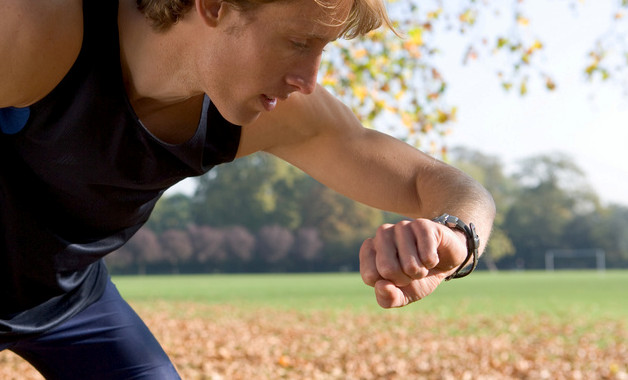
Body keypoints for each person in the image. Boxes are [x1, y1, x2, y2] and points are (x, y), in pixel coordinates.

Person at [0, 0, 496, 378]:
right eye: (299, 43)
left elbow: (437, 183)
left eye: (323, 49)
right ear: (214, 4)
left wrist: (456, 235)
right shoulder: (37, 30)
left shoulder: (257, 113)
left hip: (68, 301)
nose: (309, 80)